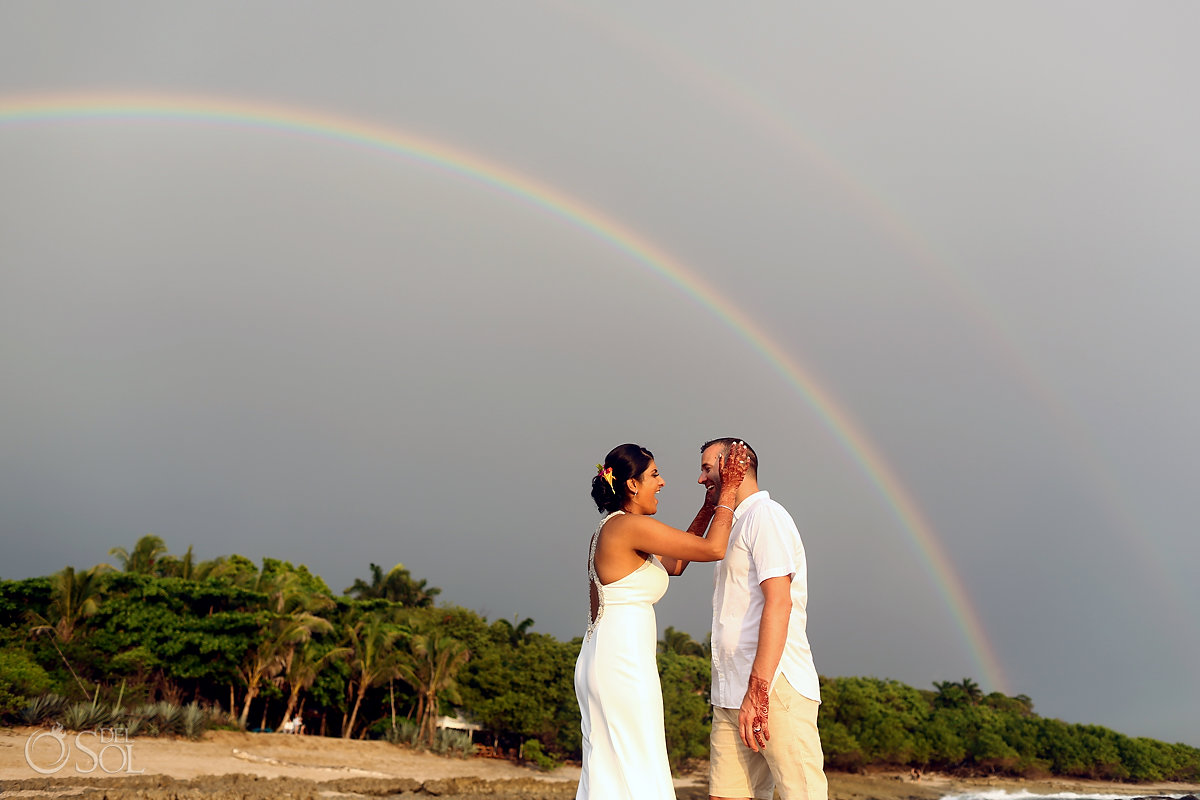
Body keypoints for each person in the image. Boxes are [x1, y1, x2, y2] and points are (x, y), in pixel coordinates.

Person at [575, 441, 749, 800]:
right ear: (632, 484)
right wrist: (729, 491)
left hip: (606, 658)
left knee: (614, 766)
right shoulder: (629, 526)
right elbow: (713, 550)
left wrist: (707, 507)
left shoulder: (615, 528)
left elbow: (676, 564)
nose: (663, 482)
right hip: (622, 664)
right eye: (654, 474)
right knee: (637, 763)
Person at [697, 437, 827, 800]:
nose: (701, 479)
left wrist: (759, 691)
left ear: (731, 467)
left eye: (707, 469)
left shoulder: (766, 517)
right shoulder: (731, 524)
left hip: (773, 689)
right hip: (728, 693)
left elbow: (779, 603)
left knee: (801, 794)